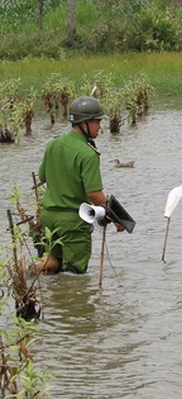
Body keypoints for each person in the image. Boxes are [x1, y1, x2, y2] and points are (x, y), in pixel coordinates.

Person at [34, 96, 123, 275]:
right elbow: (95, 195)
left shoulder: (53, 144)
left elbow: (42, 177)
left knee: (52, 265)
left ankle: (21, 275)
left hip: (48, 217)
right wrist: (116, 218)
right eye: (97, 122)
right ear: (84, 123)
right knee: (74, 276)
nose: (100, 127)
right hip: (73, 221)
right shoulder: (88, 154)